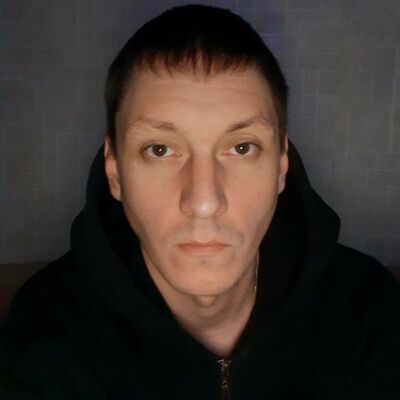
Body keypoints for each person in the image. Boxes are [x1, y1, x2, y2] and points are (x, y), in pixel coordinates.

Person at [1, 4, 399, 399]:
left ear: (281, 167)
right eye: (159, 150)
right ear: (115, 172)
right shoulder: (46, 331)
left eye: (242, 148)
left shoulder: (371, 315)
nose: (204, 202)